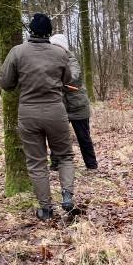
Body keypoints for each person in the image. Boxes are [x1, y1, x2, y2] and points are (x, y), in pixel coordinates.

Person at [0, 13, 76, 221]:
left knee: (36, 162)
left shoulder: (17, 52)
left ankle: (46, 209)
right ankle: (67, 197)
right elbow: (69, 80)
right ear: (49, 32)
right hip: (56, 111)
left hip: (28, 112)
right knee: (65, 156)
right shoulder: (60, 53)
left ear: (30, 31)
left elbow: (6, 83)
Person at [48, 34, 99, 170]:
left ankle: (91, 165)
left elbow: (74, 76)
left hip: (78, 106)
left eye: (57, 47)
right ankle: (55, 165)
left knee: (83, 137)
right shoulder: (48, 60)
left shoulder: (71, 59)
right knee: (56, 137)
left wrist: (55, 78)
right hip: (59, 106)